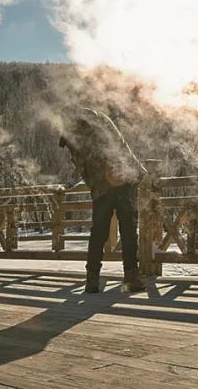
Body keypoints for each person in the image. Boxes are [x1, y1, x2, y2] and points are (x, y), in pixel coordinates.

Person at [58, 107, 146, 294]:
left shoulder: (83, 131)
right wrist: (139, 171)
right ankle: (130, 278)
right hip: (122, 182)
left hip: (105, 187)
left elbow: (111, 150)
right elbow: (122, 146)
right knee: (128, 231)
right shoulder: (98, 123)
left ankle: (92, 280)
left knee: (98, 233)